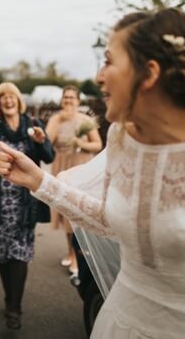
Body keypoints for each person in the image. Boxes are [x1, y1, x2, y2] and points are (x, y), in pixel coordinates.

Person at [0, 7, 185, 338]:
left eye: (108, 61)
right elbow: (111, 221)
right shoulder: (122, 137)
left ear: (148, 74)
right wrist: (38, 181)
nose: (99, 77)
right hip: (120, 324)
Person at [0, 82, 54, 330]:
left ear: (18, 101)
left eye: (12, 96)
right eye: (3, 97)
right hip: (0, 205)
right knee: (3, 256)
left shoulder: (35, 127)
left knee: (20, 255)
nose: (8, 100)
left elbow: (49, 157)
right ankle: (9, 298)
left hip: (25, 205)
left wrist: (41, 142)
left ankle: (14, 309)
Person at [44, 85, 103, 275]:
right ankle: (71, 253)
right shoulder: (55, 119)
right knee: (65, 213)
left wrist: (81, 143)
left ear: (78, 101)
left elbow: (98, 145)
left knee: (79, 211)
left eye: (72, 98)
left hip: (81, 168)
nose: (68, 101)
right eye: (65, 98)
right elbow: (47, 143)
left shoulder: (86, 120)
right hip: (62, 166)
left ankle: (80, 255)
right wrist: (58, 121)